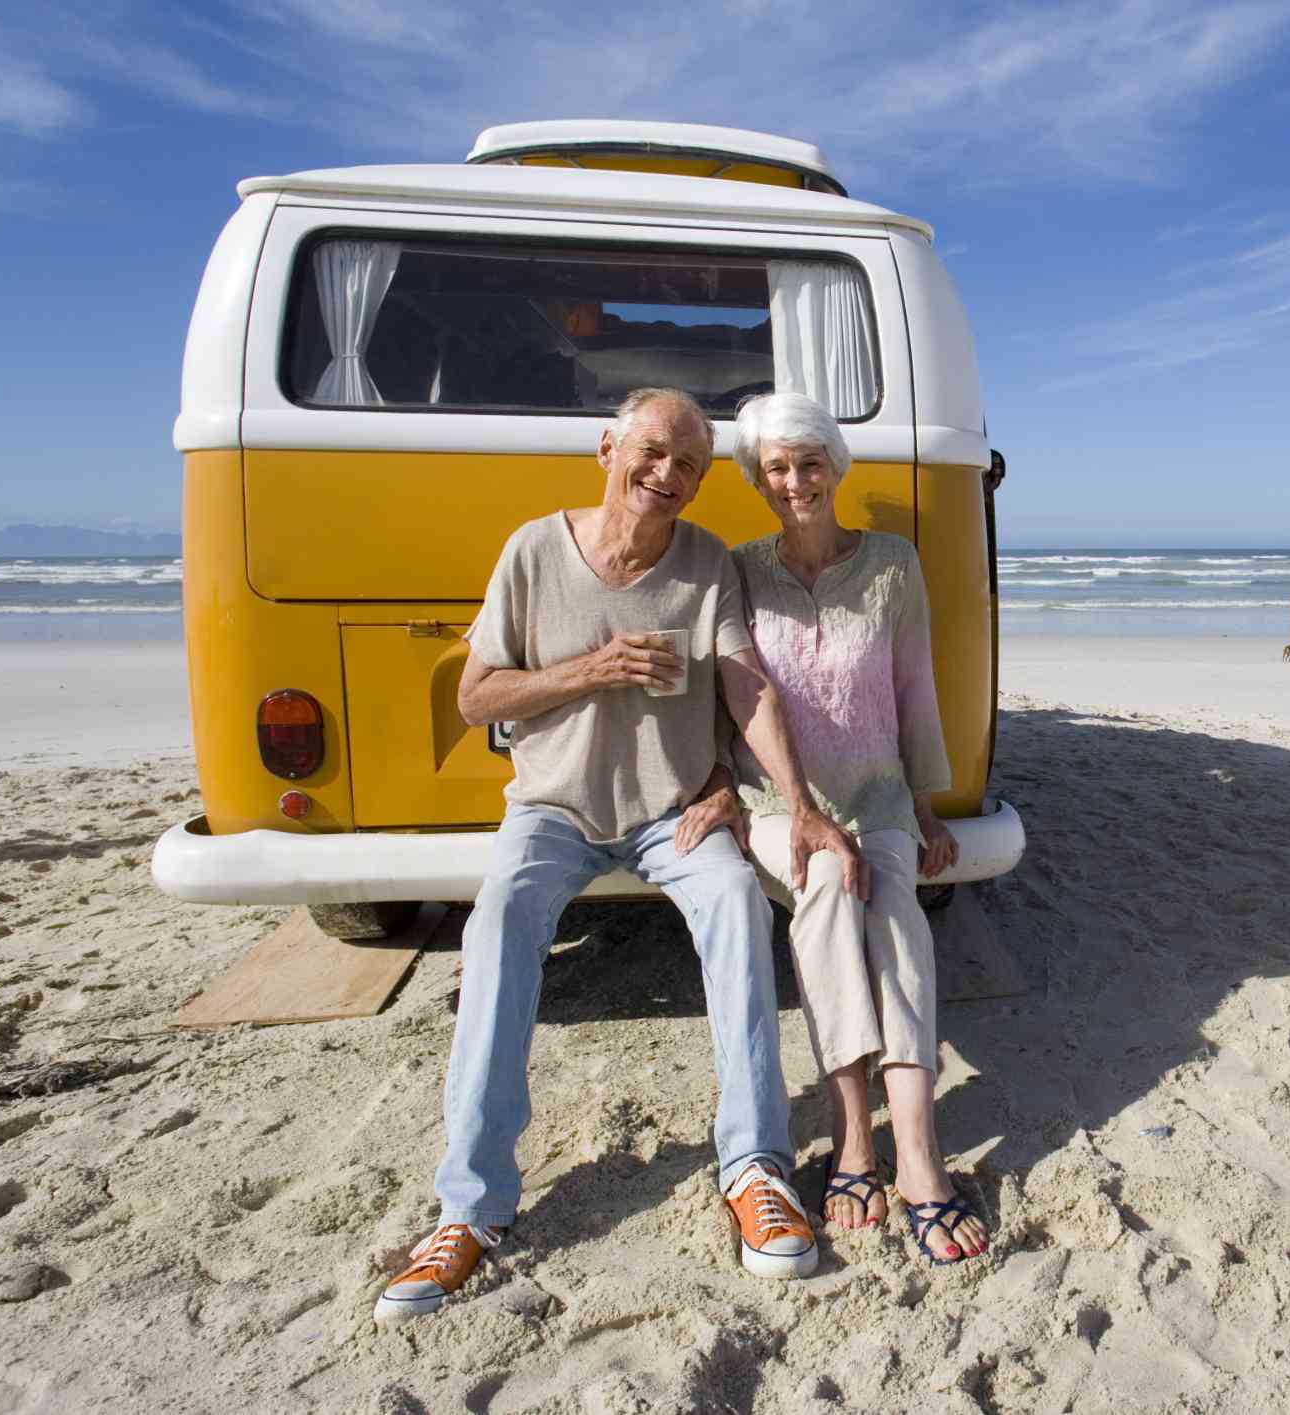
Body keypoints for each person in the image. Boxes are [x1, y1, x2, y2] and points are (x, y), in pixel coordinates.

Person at [374, 388, 864, 1324]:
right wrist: (588, 671)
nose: (666, 474)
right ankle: (472, 1206)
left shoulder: (708, 562)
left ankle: (755, 1165)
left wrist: (779, 797)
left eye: (687, 463)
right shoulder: (532, 550)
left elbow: (745, 685)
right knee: (499, 925)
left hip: (671, 814)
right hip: (553, 810)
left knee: (734, 907)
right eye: (650, 451)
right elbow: (477, 697)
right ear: (607, 447)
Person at [725, 391, 992, 1265]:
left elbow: (915, 689)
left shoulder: (892, 564)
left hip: (876, 794)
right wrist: (721, 791)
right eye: (777, 467)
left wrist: (922, 804)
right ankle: (853, 1139)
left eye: (809, 463)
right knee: (831, 895)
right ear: (759, 480)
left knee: (899, 918)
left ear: (835, 469)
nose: (795, 480)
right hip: (778, 803)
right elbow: (725, 693)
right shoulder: (738, 569)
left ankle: (915, 1152)